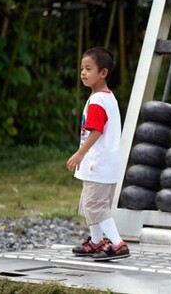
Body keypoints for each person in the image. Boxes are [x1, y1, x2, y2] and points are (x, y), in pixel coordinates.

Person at [66, 47, 129, 260]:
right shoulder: (106, 97)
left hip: (98, 164)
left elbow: (96, 130)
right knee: (91, 204)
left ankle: (118, 244)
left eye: (88, 68)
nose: (83, 73)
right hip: (102, 165)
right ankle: (95, 242)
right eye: (82, 68)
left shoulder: (97, 101)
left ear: (102, 72)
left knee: (95, 205)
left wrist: (80, 153)